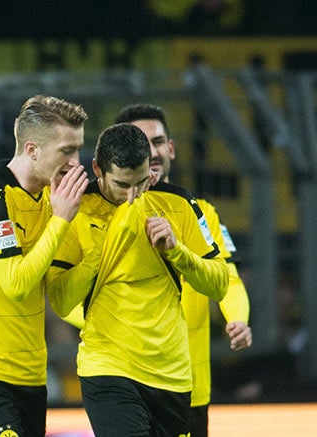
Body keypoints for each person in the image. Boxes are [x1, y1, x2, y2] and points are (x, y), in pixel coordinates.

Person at [47, 123, 230, 436]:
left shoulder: (179, 204)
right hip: (108, 368)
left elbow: (219, 284)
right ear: (97, 169)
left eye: (141, 182)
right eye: (121, 184)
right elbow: (61, 300)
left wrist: (178, 252)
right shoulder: (76, 210)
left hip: (170, 374)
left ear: (152, 172)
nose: (131, 195)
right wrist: (99, 255)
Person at [0, 95, 90, 437]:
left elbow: (61, 297)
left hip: (31, 377)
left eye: (78, 149)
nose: (75, 162)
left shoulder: (50, 199)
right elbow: (15, 283)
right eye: (66, 151)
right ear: (32, 149)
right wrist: (61, 221)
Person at [114, 103, 252, 437]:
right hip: (129, 379)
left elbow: (227, 277)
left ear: (171, 148)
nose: (153, 151)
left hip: (191, 384)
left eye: (158, 141)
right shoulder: (107, 215)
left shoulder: (202, 212)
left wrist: (238, 318)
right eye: (141, 143)